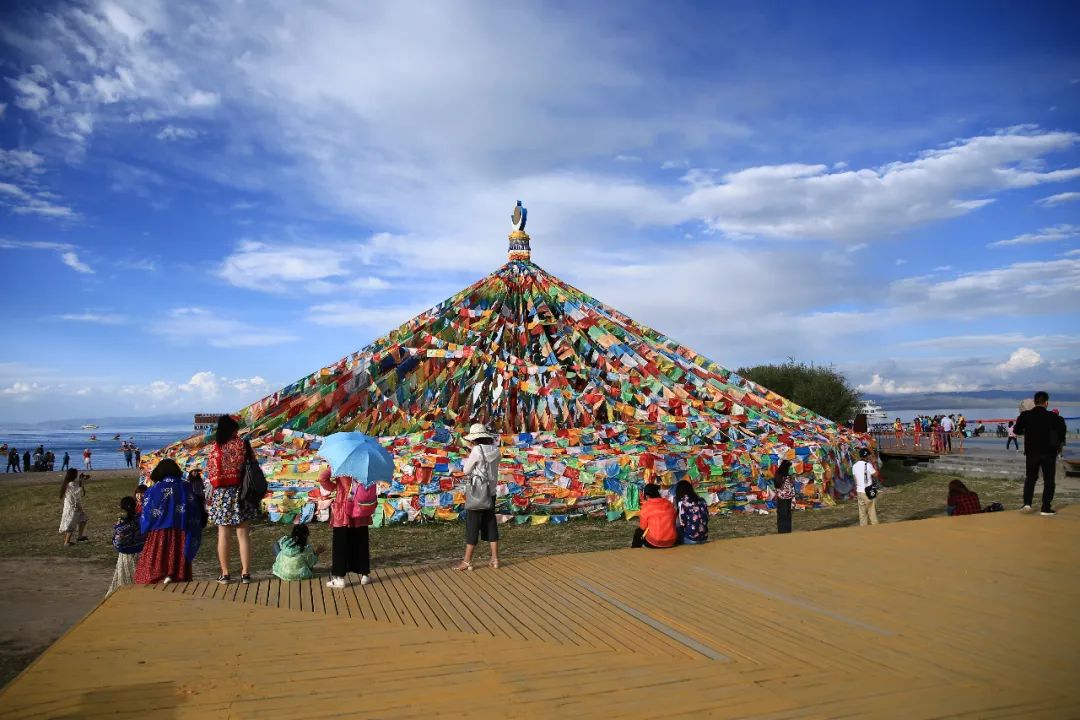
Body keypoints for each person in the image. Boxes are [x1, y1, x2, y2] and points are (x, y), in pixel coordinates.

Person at [134, 459, 203, 584]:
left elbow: (147, 512)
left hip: (158, 532)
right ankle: (175, 575)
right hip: (181, 530)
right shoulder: (185, 486)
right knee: (178, 555)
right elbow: (193, 508)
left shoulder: (154, 489)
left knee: (156, 559)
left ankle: (162, 575)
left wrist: (145, 525)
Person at [207, 415, 257, 584]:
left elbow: (211, 472)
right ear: (233, 430)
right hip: (242, 492)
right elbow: (253, 465)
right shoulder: (243, 445)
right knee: (243, 534)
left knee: (223, 534)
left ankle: (226, 573)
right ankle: (245, 573)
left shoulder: (215, 448)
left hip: (221, 494)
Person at [453, 423, 501, 571]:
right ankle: (494, 558)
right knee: (491, 523)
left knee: (473, 524)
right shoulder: (496, 450)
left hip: (477, 492)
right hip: (491, 491)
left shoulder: (476, 450)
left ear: (475, 439)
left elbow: (467, 470)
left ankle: (467, 560)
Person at [319, 465, 375, 587]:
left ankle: (340, 578)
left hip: (343, 508)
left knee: (340, 543)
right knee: (361, 541)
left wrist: (336, 487)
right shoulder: (365, 464)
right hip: (360, 508)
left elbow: (323, 478)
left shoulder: (340, 463)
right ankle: (365, 575)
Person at [1014, 391, 1067, 516]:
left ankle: (1027, 504)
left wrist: (1027, 431)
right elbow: (1061, 434)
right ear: (1046, 403)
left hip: (1032, 452)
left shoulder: (1025, 416)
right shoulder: (1055, 418)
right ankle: (1045, 508)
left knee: (1030, 478)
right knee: (1049, 480)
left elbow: (1017, 430)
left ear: (1035, 401)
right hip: (1049, 453)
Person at [108, 496, 145, 594]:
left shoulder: (121, 522)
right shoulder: (140, 518)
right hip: (139, 553)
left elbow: (116, 540)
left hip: (125, 556)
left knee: (124, 578)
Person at [631, 483, 677, 548]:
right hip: (672, 541)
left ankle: (634, 551)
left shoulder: (646, 506)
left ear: (646, 496)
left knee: (638, 532)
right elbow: (674, 518)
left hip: (655, 542)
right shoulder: (668, 503)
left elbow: (643, 527)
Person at [58, 469, 89, 546]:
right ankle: (67, 542)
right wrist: (82, 481)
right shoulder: (71, 484)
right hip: (73, 507)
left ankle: (80, 537)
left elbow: (77, 492)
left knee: (83, 519)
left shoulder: (67, 483)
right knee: (71, 523)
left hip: (71, 506)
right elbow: (77, 493)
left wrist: (81, 481)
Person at [674, 480, 709, 544]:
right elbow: (706, 516)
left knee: (676, 524)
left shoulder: (682, 502)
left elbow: (682, 523)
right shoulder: (702, 500)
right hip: (704, 536)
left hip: (691, 538)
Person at [853, 449, 879, 526]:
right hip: (868, 491)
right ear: (867, 456)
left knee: (862, 514)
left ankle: (863, 531)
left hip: (859, 491)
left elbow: (855, 480)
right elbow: (876, 475)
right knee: (872, 512)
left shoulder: (854, 466)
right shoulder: (868, 465)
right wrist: (874, 463)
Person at [772, 459, 795, 534]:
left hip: (780, 497)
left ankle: (781, 530)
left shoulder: (778, 475)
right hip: (787, 498)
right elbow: (790, 488)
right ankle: (786, 531)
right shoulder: (786, 477)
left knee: (781, 514)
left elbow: (777, 487)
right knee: (786, 515)